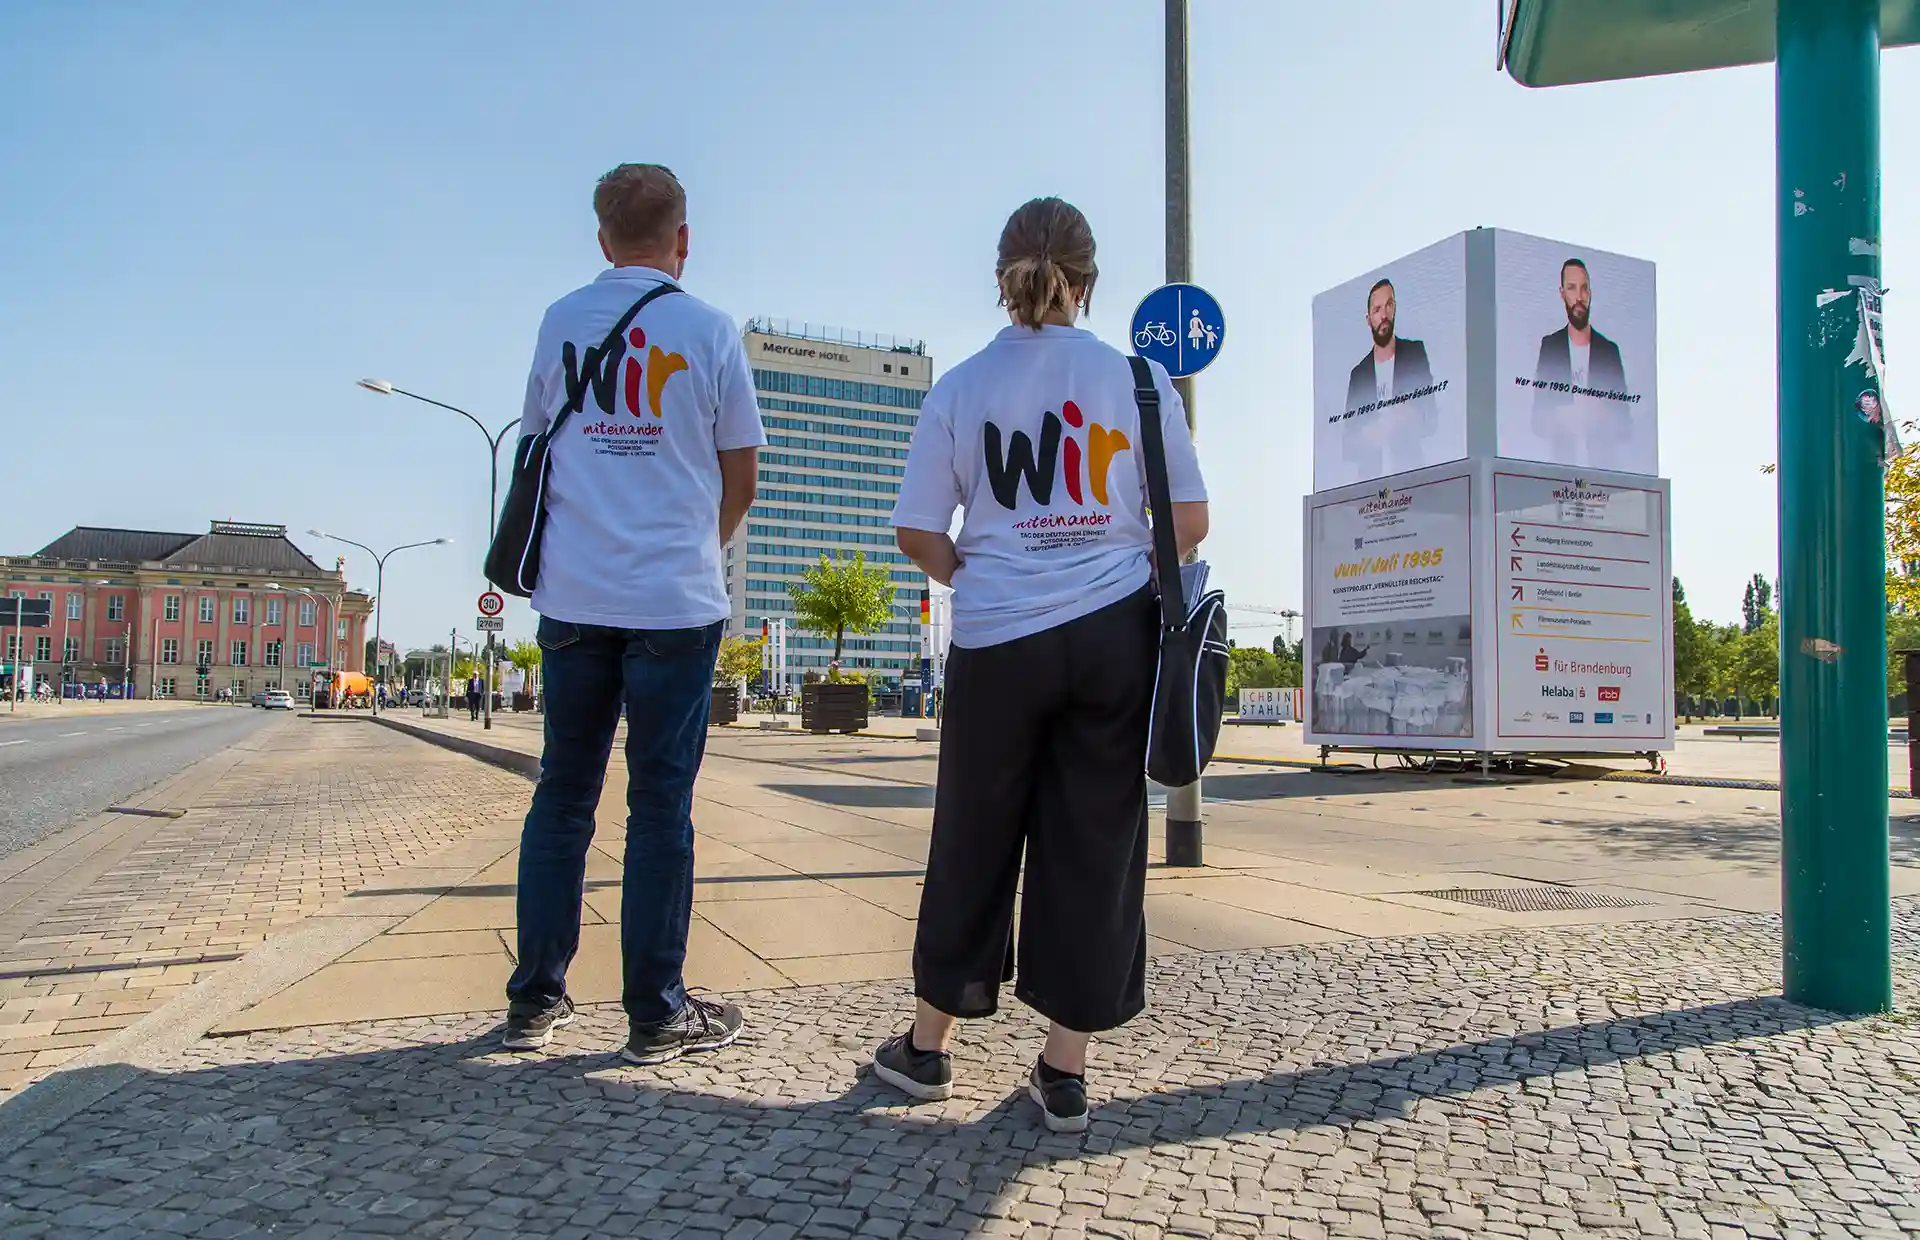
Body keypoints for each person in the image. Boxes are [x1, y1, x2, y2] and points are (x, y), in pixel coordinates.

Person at [869, 197, 1210, 1132]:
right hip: (1110, 639)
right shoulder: (1136, 381)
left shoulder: (963, 388)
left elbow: (914, 531)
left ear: (1002, 275)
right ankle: (1063, 1072)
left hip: (996, 639)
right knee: (1096, 846)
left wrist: (973, 567)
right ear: (1088, 281)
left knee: (974, 836)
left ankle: (928, 1048)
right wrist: (1109, 563)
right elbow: (1187, 523)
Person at [500, 163, 764, 1063]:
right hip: (674, 607)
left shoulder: (559, 321)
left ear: (602, 238)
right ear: (683, 240)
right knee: (659, 807)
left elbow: (537, 439)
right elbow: (742, 478)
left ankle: (534, 999)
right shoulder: (710, 328)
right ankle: (654, 1014)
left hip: (573, 599)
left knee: (563, 795)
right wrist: (693, 540)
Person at [1531, 258, 1630, 465]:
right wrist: (1560, 417)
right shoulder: (1551, 348)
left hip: (1603, 477)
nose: (1579, 297)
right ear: (1562, 294)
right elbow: (1538, 421)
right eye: (1572, 288)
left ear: (1590, 293)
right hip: (1560, 478)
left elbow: (1625, 424)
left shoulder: (1609, 352)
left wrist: (1603, 413)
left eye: (1584, 289)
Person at [1342, 278, 1437, 477]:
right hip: (1370, 493)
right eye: (1377, 310)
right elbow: (1348, 447)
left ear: (1395, 309)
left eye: (1389, 305)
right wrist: (1368, 435)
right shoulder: (1359, 375)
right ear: (1368, 320)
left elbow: (1431, 420)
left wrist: (1409, 417)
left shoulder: (1414, 354)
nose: (1384, 315)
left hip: (1411, 484)